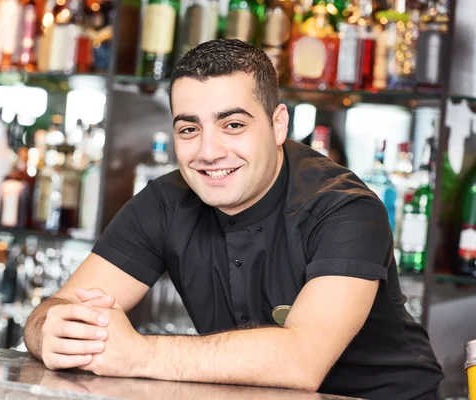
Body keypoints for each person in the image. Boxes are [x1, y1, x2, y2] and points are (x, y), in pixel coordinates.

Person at [24, 39, 444, 400]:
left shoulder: (343, 208)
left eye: (233, 124)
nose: (209, 151)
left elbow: (301, 361)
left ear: (278, 124)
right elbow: (53, 310)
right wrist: (53, 333)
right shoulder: (164, 202)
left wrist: (136, 352)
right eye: (189, 130)